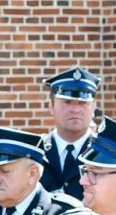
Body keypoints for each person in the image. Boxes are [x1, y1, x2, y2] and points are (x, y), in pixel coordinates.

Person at [37, 67, 99, 200]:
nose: (75, 109)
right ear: (51, 106)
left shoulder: (105, 153)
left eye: (83, 103)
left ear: (94, 107)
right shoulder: (35, 152)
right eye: (67, 102)